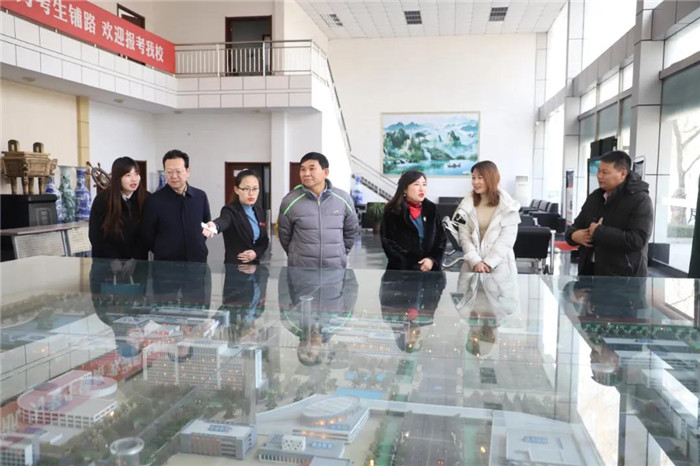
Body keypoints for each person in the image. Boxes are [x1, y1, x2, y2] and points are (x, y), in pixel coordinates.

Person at [565, 150, 653, 276]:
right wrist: (573, 236)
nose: (599, 176)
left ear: (623, 173)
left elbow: (637, 240)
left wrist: (599, 232)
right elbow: (576, 226)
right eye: (599, 171)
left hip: (623, 278)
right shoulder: (595, 197)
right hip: (589, 272)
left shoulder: (640, 200)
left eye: (605, 172)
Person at [278, 152, 360, 268]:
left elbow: (351, 232)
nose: (306, 174)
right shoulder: (290, 201)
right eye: (302, 169)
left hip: (334, 267)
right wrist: (295, 255)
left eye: (312, 169)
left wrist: (339, 253)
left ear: (325, 172)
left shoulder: (343, 199)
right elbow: (284, 235)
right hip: (301, 267)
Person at [141, 149, 211, 262]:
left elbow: (206, 225)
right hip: (166, 263)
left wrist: (197, 244)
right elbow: (147, 234)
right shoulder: (154, 200)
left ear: (188, 171)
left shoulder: (200, 196)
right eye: (169, 172)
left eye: (178, 171)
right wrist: (163, 250)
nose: (174, 176)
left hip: (197, 260)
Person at [278, 267, 358, 366]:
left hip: (303, 266)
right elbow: (351, 291)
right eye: (309, 353)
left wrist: (287, 266)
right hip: (334, 266)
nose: (306, 348)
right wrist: (346, 268)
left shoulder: (290, 323)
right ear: (321, 350)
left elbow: (284, 289)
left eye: (301, 352)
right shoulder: (338, 324)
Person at [456, 160, 520, 274]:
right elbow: (464, 236)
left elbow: (507, 239)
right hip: (473, 267)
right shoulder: (466, 205)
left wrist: (488, 263)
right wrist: (476, 262)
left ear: (491, 178)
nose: (475, 182)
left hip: (501, 268)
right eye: (473, 178)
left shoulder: (508, 206)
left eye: (480, 178)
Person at [381, 170, 446, 271]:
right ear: (405, 189)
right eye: (416, 184)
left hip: (430, 271)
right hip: (401, 272)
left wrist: (432, 259)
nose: (422, 189)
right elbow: (388, 243)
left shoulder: (431, 209)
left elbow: (441, 238)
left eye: (424, 184)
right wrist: (412, 264)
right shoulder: (393, 211)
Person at [202, 169, 269, 264]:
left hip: (255, 267)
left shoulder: (259, 211)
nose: (251, 193)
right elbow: (224, 220)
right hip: (235, 267)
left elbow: (264, 240)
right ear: (236, 190)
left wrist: (255, 253)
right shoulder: (230, 210)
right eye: (246, 189)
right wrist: (214, 225)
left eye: (255, 189)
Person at [89, 156, 149, 260]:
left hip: (137, 262)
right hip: (106, 262)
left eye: (136, 174)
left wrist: (134, 258)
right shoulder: (102, 200)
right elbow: (96, 235)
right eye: (128, 175)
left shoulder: (146, 199)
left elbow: (148, 235)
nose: (134, 179)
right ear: (117, 178)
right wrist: (113, 260)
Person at [380, 269, 446, 352]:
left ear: (402, 337)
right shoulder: (426, 318)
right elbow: (437, 289)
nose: (417, 337)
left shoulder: (391, 316)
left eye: (412, 341)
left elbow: (388, 285)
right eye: (419, 340)